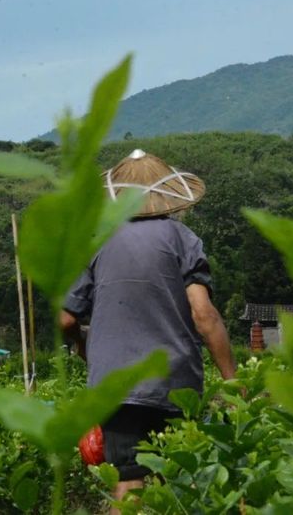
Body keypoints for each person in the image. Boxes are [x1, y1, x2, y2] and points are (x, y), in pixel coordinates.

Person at [60, 149, 236, 512]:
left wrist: (84, 347)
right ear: (168, 195)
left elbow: (64, 319)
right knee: (172, 477)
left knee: (128, 479)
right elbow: (204, 315)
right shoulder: (182, 238)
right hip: (174, 381)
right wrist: (233, 383)